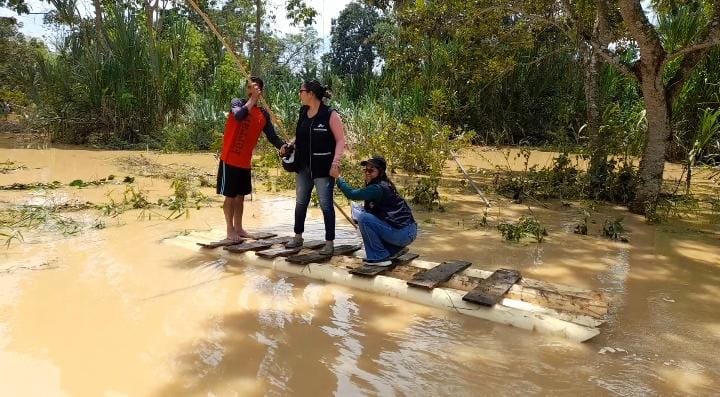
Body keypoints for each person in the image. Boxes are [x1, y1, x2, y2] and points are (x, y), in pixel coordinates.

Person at [217, 76, 286, 242]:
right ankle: (229, 230)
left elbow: (272, 137)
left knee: (241, 197)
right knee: (230, 197)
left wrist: (284, 146)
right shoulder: (237, 103)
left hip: (245, 162)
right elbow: (239, 116)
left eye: (254, 87)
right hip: (230, 159)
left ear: (260, 91)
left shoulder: (263, 114)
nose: (250, 89)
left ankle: (239, 228)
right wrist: (252, 99)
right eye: (248, 87)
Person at [282, 80, 346, 255]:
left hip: (323, 169)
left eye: (301, 91)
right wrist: (290, 144)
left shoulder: (330, 114)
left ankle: (329, 242)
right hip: (303, 167)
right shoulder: (303, 112)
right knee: (301, 202)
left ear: (310, 93)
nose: (299, 94)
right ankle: (298, 236)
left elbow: (341, 140)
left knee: (326, 205)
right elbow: (300, 135)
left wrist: (335, 163)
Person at [332, 156, 418, 266]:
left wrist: (338, 178)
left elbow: (352, 194)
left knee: (364, 218)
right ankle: (392, 250)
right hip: (409, 232)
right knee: (366, 216)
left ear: (380, 171)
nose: (367, 172)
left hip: (402, 234)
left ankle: (379, 257)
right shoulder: (385, 184)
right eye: (366, 170)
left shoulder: (377, 188)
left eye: (371, 170)